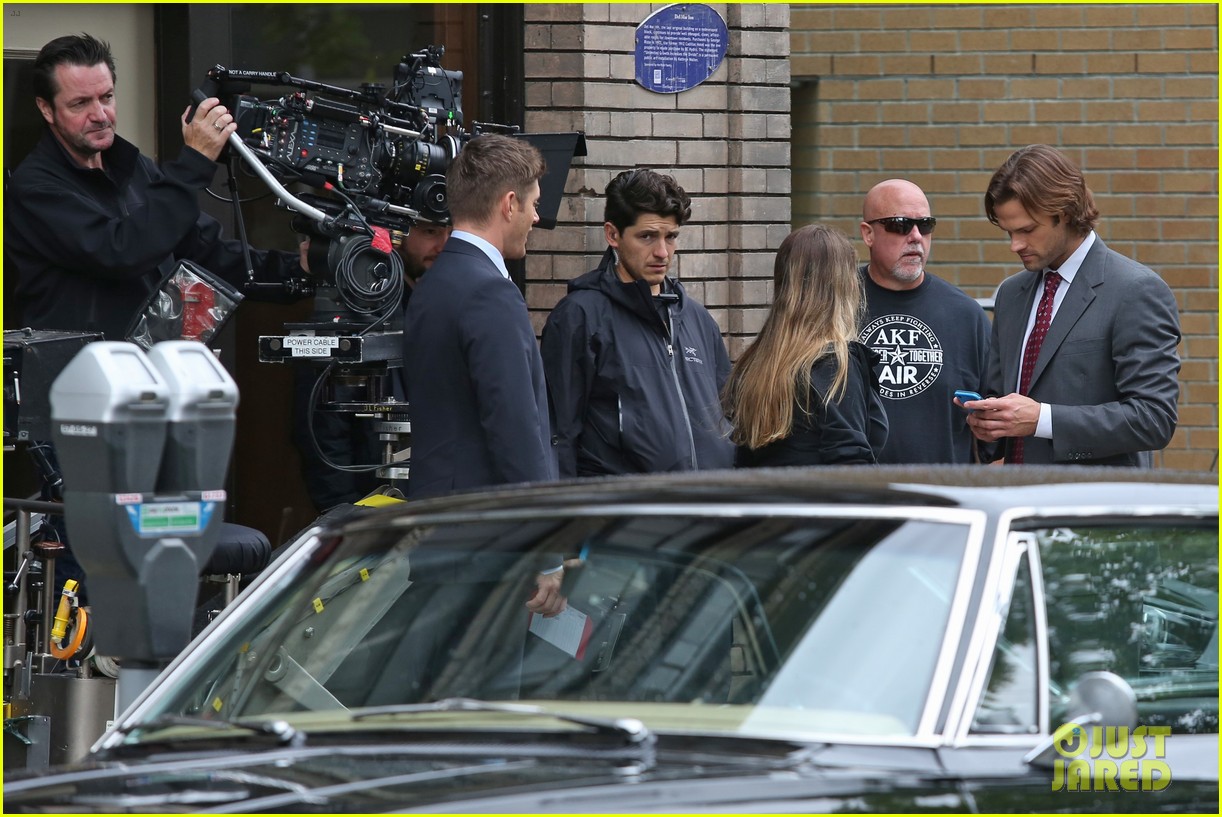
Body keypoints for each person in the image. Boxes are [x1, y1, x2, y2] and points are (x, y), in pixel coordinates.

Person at [6, 33, 308, 340]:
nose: (99, 115)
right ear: (46, 109)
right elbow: (121, 251)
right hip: (79, 367)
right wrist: (195, 160)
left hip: (151, 363)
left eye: (106, 97)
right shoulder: (35, 188)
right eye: (80, 103)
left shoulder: (134, 167)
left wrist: (299, 270)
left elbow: (211, 255)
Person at [964, 144, 1180, 466]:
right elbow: (1002, 398)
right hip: (1017, 492)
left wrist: (1042, 420)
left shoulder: (1135, 290)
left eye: (1027, 230)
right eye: (1008, 232)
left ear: (1065, 213)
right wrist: (989, 424)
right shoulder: (1011, 294)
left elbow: (1153, 419)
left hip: (1090, 496)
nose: (1015, 245)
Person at [540, 169, 733, 476]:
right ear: (613, 235)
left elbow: (727, 415)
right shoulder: (580, 316)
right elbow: (558, 435)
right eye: (647, 236)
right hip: (624, 502)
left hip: (704, 501)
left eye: (671, 237)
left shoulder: (697, 319)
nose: (662, 252)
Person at [401, 134, 557, 498]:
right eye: (534, 204)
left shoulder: (432, 282)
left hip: (438, 508)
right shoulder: (490, 292)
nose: (536, 217)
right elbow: (514, 428)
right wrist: (544, 517)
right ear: (509, 204)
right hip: (484, 519)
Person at [291, 221, 450, 511]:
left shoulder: (428, 307)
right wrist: (344, 516)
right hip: (368, 505)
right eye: (430, 232)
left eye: (450, 232)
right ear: (396, 236)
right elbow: (326, 437)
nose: (443, 244)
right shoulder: (357, 315)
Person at [725, 224, 888, 467]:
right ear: (843, 286)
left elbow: (745, 462)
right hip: (817, 492)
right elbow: (850, 463)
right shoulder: (835, 363)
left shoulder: (756, 364)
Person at [858, 180, 991, 464]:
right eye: (900, 225)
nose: (916, 236)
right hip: (855, 490)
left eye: (925, 225)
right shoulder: (831, 305)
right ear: (868, 234)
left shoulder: (966, 316)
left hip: (940, 490)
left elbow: (997, 435)